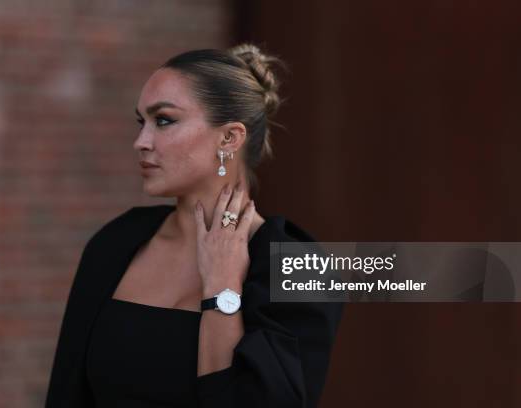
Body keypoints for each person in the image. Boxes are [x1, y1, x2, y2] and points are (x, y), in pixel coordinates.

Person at [45, 43, 343, 408]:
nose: (141, 142)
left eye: (164, 120)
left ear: (229, 138)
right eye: (142, 122)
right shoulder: (115, 243)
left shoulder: (296, 267)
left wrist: (221, 286)